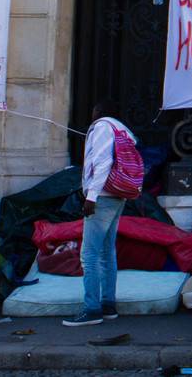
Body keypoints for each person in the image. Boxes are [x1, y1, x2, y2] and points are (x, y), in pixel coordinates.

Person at [63, 101, 135, 327]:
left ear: (100, 112)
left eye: (94, 110)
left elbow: (103, 162)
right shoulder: (122, 129)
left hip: (103, 196)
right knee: (106, 251)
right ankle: (108, 304)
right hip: (118, 194)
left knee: (89, 255)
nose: (91, 114)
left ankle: (92, 309)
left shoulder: (103, 126)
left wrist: (91, 197)